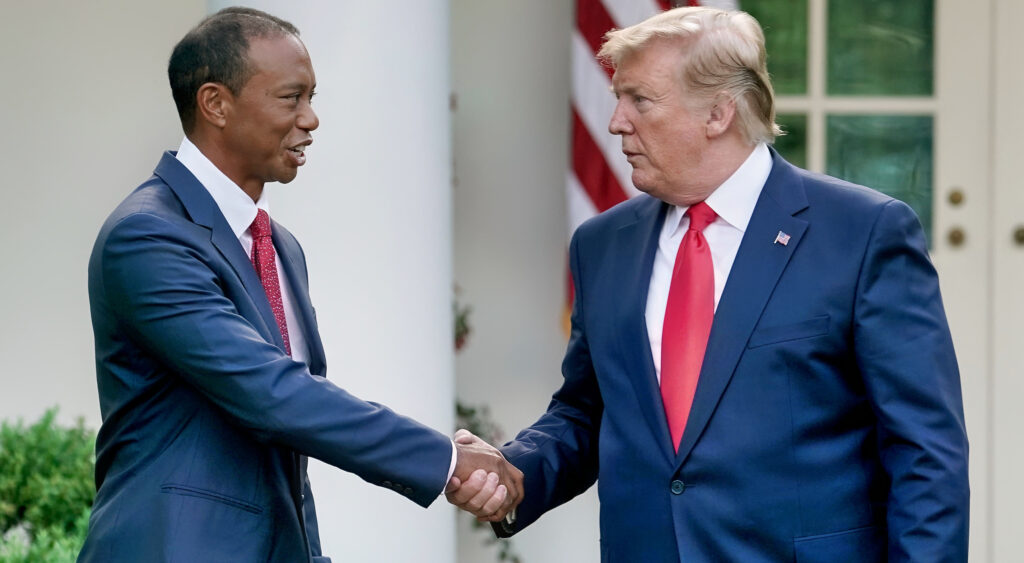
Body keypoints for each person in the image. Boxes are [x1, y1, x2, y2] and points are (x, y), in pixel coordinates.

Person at [446, 6, 968, 562]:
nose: (616, 120)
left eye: (639, 100)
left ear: (718, 112)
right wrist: (513, 473)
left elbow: (926, 455)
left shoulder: (863, 234)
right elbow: (586, 413)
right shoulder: (601, 244)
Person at [78, 8, 520, 563]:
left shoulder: (278, 244)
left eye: (312, 98)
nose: (311, 119)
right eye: (292, 98)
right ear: (215, 103)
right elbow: (270, 393)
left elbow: (288, 432)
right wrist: (444, 462)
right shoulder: (147, 236)